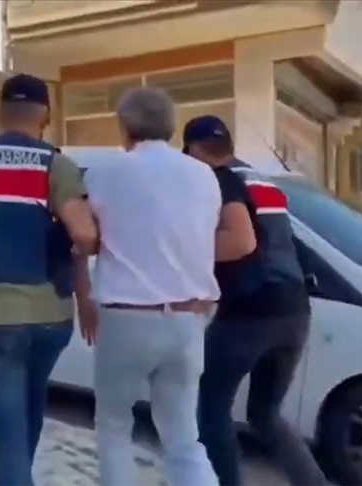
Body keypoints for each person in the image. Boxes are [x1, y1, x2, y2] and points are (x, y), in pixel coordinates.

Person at [0, 73, 99, 486]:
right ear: (46, 116)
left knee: (7, 444)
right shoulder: (56, 165)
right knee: (29, 408)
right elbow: (84, 236)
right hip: (50, 319)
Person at [74, 87, 221, 486]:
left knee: (114, 426)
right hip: (189, 316)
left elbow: (85, 239)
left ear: (124, 127)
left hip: (126, 317)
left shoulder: (106, 172)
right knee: (184, 437)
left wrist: (83, 295)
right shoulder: (203, 175)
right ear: (171, 127)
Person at [183, 115, 329, 486]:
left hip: (247, 315)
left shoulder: (215, 181)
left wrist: (184, 253)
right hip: (294, 311)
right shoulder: (264, 181)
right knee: (265, 414)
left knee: (210, 411)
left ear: (193, 150)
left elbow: (239, 242)